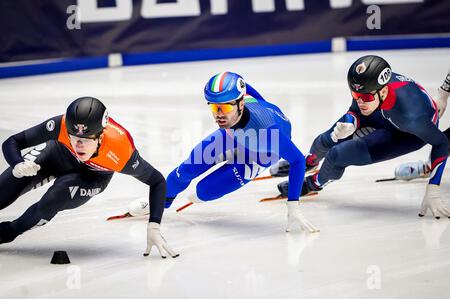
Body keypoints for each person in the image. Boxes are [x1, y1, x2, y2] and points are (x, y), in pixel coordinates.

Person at [129, 72, 318, 232]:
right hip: (232, 135)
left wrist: (293, 205)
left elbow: (297, 161)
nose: (219, 113)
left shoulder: (269, 132)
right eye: (213, 106)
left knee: (204, 191)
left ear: (240, 103)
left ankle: (200, 195)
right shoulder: (237, 103)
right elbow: (247, 88)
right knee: (187, 169)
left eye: (225, 107)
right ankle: (162, 202)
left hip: (259, 154)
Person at [0, 97, 178, 258]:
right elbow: (13, 141)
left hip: (92, 176)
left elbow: (157, 181)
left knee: (57, 195)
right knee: (8, 185)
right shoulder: (61, 125)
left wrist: (154, 224)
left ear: (101, 136)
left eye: (86, 139)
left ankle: (7, 232)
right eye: (74, 137)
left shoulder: (120, 150)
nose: (78, 145)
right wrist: (18, 164)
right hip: (58, 154)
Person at [274, 55, 449, 219]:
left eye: (364, 97)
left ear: (383, 90)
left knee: (337, 156)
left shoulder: (411, 116)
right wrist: (352, 121)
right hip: (380, 112)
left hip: (405, 134)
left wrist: (433, 188)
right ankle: (309, 162)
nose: (360, 102)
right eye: (355, 95)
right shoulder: (368, 85)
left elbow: (442, 142)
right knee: (325, 139)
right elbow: (357, 109)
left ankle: (313, 183)